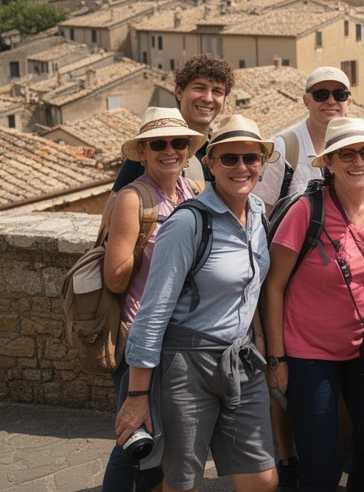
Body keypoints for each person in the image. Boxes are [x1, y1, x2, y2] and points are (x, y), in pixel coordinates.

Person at [116, 115, 277, 492]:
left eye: (251, 158)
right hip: (186, 367)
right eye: (229, 159)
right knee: (181, 483)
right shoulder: (188, 223)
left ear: (262, 163)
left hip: (241, 359)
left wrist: (264, 347)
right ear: (209, 162)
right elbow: (152, 314)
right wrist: (138, 396)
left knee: (263, 479)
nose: (241, 167)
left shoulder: (258, 213)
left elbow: (251, 289)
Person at [261, 118, 364, 492]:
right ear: (330, 162)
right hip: (310, 355)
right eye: (347, 154)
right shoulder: (307, 211)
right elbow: (273, 286)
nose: (359, 161)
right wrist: (277, 359)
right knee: (321, 463)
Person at [100, 107, 206, 492]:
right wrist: (156, 246)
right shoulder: (134, 199)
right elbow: (115, 278)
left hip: (179, 336)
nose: (170, 151)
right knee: (135, 435)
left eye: (178, 143)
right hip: (140, 334)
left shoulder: (193, 192)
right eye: (158, 144)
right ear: (143, 151)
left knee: (166, 439)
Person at [112, 55, 234, 192]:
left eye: (217, 91)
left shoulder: (221, 150)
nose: (208, 98)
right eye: (200, 88)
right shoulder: (153, 148)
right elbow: (114, 207)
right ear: (179, 92)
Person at [255, 66, 352, 211]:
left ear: (349, 102)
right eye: (321, 95)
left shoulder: (357, 146)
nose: (331, 101)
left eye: (340, 95)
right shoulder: (283, 149)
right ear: (306, 101)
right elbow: (263, 212)